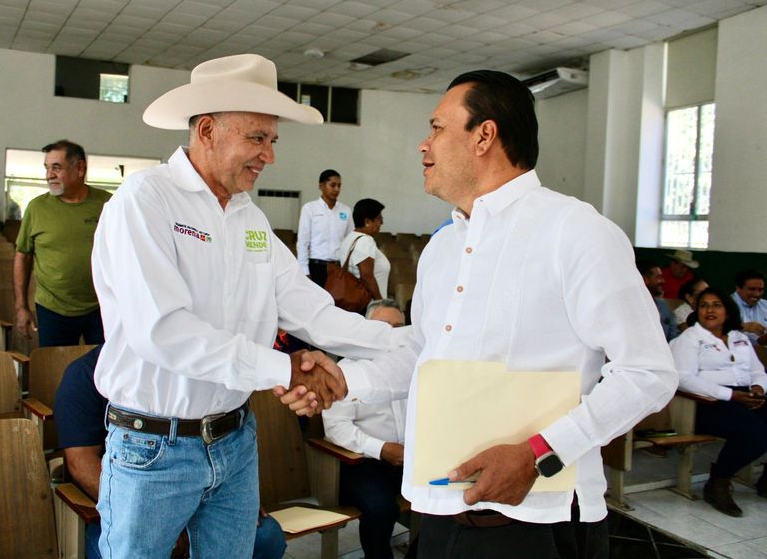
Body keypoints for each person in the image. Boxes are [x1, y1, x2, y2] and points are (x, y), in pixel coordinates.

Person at [279, 69, 677, 558]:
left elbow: (648, 373)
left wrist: (538, 455)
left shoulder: (575, 232)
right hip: (442, 504)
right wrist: (345, 380)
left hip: (537, 513)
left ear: (484, 135)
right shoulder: (444, 247)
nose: (423, 146)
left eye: (437, 128)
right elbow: (425, 354)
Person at [90, 54, 404, 559]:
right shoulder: (144, 200)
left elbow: (311, 310)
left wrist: (405, 340)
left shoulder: (249, 218)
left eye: (272, 140)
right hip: (153, 449)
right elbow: (165, 331)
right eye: (257, 138)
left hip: (235, 442)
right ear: (208, 130)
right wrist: (288, 369)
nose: (269, 156)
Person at [53, 346, 287, 559]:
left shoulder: (182, 371)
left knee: (268, 537)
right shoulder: (83, 375)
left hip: (202, 490)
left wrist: (232, 492)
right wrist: (172, 519)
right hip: (124, 505)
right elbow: (79, 462)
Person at [670, 287, 767, 517]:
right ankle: (718, 481)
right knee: (756, 433)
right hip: (706, 403)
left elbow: (758, 371)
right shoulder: (690, 339)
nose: (709, 310)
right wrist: (731, 395)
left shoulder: (739, 338)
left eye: (716, 305)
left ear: (727, 311)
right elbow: (683, 379)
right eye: (704, 305)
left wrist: (758, 388)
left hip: (746, 396)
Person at [323, 299, 407, 559]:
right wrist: (381, 449)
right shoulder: (346, 370)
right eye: (382, 327)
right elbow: (336, 428)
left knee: (443, 498)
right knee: (380, 507)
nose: (391, 335)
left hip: (408, 458)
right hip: (361, 462)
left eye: (399, 327)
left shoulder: (413, 368)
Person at [14, 140, 110, 347]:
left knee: (104, 372)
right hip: (53, 310)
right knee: (56, 372)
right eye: (47, 168)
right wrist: (21, 306)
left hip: (102, 306)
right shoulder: (37, 208)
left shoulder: (108, 204)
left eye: (56, 168)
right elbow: (23, 255)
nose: (49, 175)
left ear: (80, 168)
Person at [297, 169, 353, 287]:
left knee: (337, 303)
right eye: (332, 185)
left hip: (338, 268)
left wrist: (347, 269)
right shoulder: (310, 208)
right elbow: (303, 242)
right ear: (321, 186)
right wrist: (304, 271)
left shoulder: (346, 211)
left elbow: (350, 242)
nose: (337, 189)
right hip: (316, 266)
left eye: (339, 186)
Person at [339, 198, 390, 302]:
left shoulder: (350, 238)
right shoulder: (366, 241)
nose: (382, 222)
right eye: (379, 218)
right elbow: (367, 277)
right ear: (367, 221)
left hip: (355, 301)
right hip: (368, 305)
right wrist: (380, 303)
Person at [638, 258, 679, 341]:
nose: (663, 281)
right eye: (658, 277)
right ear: (644, 280)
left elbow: (673, 338)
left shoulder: (663, 306)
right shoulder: (630, 307)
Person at [731, 268, 767, 347]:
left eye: (760, 290)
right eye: (752, 289)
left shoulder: (765, 305)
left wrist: (762, 340)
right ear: (738, 288)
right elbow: (713, 329)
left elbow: (761, 342)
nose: (757, 294)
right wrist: (739, 327)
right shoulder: (724, 304)